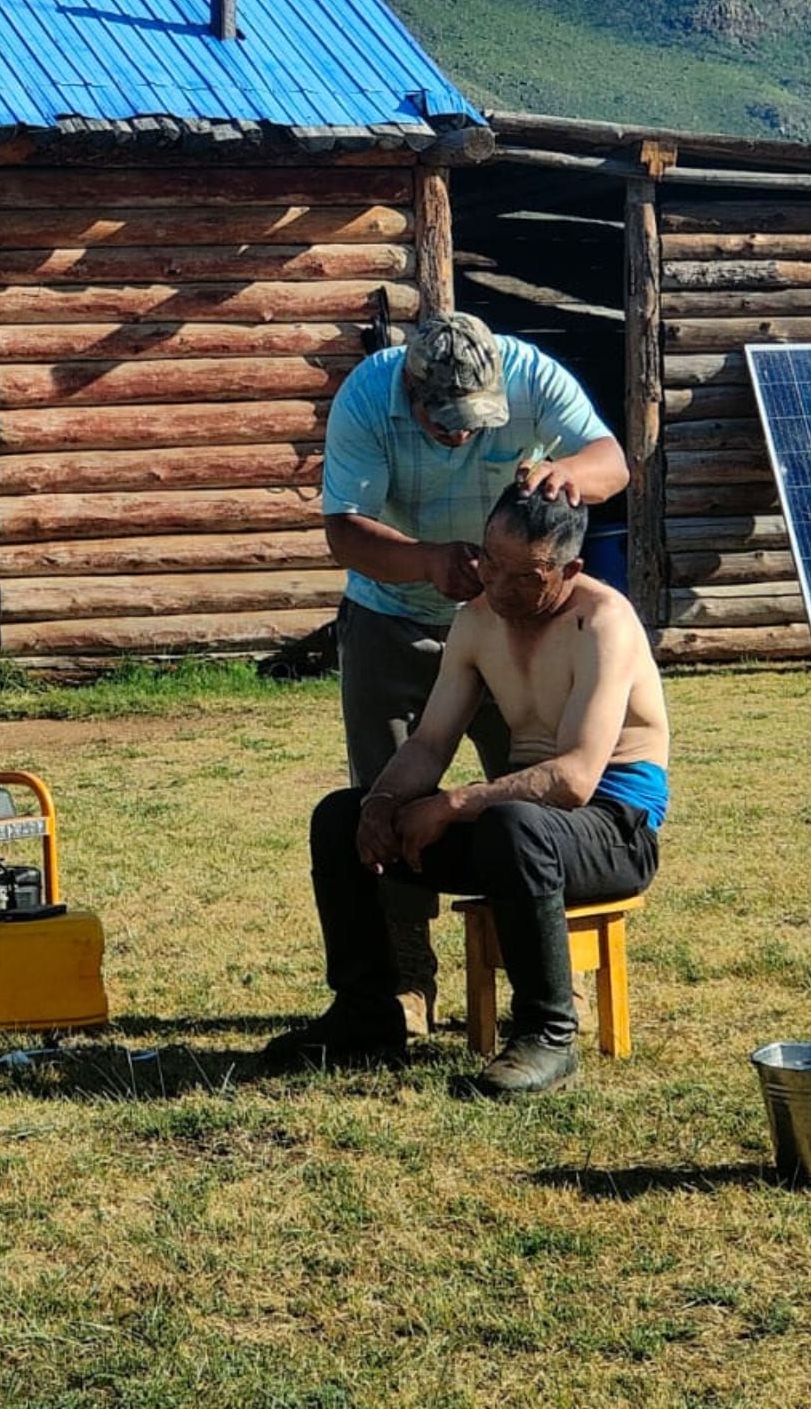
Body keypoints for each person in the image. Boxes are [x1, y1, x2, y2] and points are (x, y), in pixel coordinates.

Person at [263, 481, 669, 1094]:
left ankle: (547, 1034)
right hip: (521, 830)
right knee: (341, 817)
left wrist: (453, 805)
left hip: (614, 828)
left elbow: (577, 778)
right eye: (490, 562)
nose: (498, 585)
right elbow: (429, 745)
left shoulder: (602, 620)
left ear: (570, 569)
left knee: (514, 826)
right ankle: (366, 1016)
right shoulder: (477, 619)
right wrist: (382, 803)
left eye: (522, 575)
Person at [307, 310, 627, 1036]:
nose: (462, 434)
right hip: (394, 616)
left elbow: (613, 461)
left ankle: (555, 981)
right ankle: (406, 986)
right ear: (409, 392)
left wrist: (567, 469)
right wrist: (426, 561)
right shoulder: (365, 397)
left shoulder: (534, 374)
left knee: (531, 801)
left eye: (477, 421)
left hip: (511, 622)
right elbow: (343, 530)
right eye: (445, 422)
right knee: (384, 792)